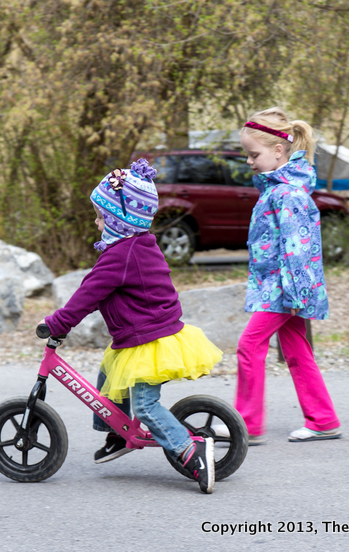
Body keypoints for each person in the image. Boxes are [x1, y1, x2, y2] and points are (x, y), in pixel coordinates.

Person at [43, 159, 223, 493]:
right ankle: (118, 432)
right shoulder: (140, 244)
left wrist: (57, 324)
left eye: (100, 216)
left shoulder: (119, 256)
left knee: (144, 405)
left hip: (149, 340)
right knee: (108, 376)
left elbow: (87, 294)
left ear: (116, 219)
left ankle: (189, 449)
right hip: (151, 333)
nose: (97, 224)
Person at [235, 107, 341, 444]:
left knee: (249, 346)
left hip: (284, 290)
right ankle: (323, 419)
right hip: (279, 288)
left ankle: (247, 424)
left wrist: (296, 296)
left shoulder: (287, 194)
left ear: (278, 150)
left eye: (255, 154)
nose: (250, 161)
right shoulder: (277, 189)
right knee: (296, 350)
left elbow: (299, 251)